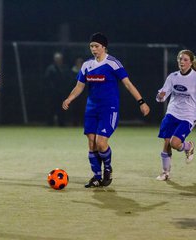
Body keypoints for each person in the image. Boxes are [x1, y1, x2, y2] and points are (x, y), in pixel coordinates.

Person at [62, 32, 150, 188]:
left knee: (101, 142)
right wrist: (69, 98)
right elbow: (79, 86)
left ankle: (108, 169)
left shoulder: (113, 63)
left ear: (104, 47)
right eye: (91, 46)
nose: (93, 49)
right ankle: (96, 177)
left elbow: (128, 84)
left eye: (96, 46)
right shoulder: (86, 65)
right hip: (91, 108)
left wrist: (141, 102)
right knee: (91, 143)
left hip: (109, 108)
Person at [155, 49, 196, 181]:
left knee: (175, 143)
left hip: (188, 116)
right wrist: (160, 96)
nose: (182, 62)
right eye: (180, 59)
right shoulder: (173, 77)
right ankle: (165, 173)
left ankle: (188, 146)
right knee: (166, 142)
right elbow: (162, 95)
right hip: (172, 113)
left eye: (185, 60)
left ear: (191, 62)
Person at [44, 52, 70, 126]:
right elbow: (47, 80)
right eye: (57, 59)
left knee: (63, 108)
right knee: (51, 108)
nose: (59, 60)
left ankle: (62, 123)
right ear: (54, 59)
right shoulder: (50, 68)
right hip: (53, 93)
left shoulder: (65, 68)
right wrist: (52, 89)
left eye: (60, 59)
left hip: (63, 93)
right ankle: (50, 124)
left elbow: (68, 79)